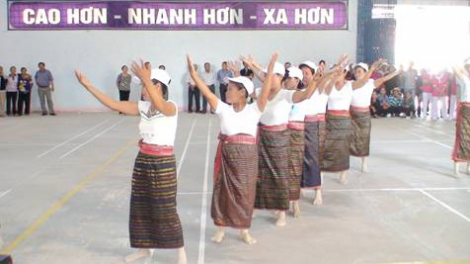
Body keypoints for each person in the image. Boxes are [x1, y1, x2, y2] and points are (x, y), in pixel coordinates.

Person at [75, 61, 187, 264]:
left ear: (158, 86)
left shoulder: (170, 107)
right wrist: (88, 86)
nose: (142, 90)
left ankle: (180, 252)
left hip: (163, 164)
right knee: (140, 206)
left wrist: (147, 79)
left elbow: (160, 105)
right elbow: (113, 104)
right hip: (143, 161)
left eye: (145, 85)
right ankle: (144, 249)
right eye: (142, 85)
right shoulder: (142, 107)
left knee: (165, 208)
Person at [186, 53, 276, 245]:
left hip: (247, 159)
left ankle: (244, 230)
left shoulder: (254, 110)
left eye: (231, 88)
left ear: (243, 92)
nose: (227, 91)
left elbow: (266, 91)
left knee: (245, 195)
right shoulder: (223, 109)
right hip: (227, 156)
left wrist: (270, 68)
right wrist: (195, 76)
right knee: (222, 194)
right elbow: (208, 93)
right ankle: (220, 228)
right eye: (227, 88)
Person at [249, 59, 318, 227]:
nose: (267, 77)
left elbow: (305, 95)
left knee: (279, 176)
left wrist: (315, 80)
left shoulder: (286, 94)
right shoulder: (260, 92)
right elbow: (244, 93)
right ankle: (257, 205)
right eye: (266, 75)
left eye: (271, 75)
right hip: (262, 136)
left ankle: (281, 213)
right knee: (259, 174)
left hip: (280, 139)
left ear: (280, 77)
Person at [322, 57, 383, 185]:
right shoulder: (329, 87)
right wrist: (333, 74)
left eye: (339, 73)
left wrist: (372, 67)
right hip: (330, 120)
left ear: (344, 73)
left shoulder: (350, 85)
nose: (337, 75)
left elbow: (364, 81)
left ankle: (343, 173)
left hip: (345, 121)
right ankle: (322, 173)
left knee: (344, 148)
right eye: (335, 73)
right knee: (327, 147)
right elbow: (326, 90)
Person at [299, 57, 344, 206]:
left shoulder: (320, 88)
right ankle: (302, 186)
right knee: (300, 158)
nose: (304, 76)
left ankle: (318, 191)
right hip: (301, 126)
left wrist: (333, 71)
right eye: (302, 73)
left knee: (315, 160)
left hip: (316, 126)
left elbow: (325, 81)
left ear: (313, 75)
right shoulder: (300, 90)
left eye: (306, 73)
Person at [349, 61, 401, 172]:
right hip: (352, 114)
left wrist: (396, 73)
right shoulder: (351, 84)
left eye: (359, 72)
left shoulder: (370, 83)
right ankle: (345, 164)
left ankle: (364, 163)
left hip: (364, 115)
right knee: (349, 139)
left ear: (365, 72)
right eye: (355, 72)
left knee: (364, 139)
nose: (357, 74)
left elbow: (383, 79)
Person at [451, 65, 470, 176]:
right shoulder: (464, 79)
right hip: (465, 108)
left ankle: (468, 167)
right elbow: (454, 67)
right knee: (461, 137)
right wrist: (462, 64)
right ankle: (457, 168)